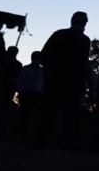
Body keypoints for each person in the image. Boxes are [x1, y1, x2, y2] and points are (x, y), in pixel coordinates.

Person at [40, 11, 91, 148]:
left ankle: (44, 140)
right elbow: (84, 64)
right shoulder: (84, 40)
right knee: (68, 113)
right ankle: (63, 143)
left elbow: (43, 56)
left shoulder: (60, 34)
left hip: (58, 80)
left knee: (52, 111)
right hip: (69, 82)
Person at [14, 51, 44, 142]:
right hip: (29, 94)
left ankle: (25, 135)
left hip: (34, 94)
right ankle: (23, 134)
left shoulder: (38, 70)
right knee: (26, 114)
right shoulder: (28, 69)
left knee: (30, 114)